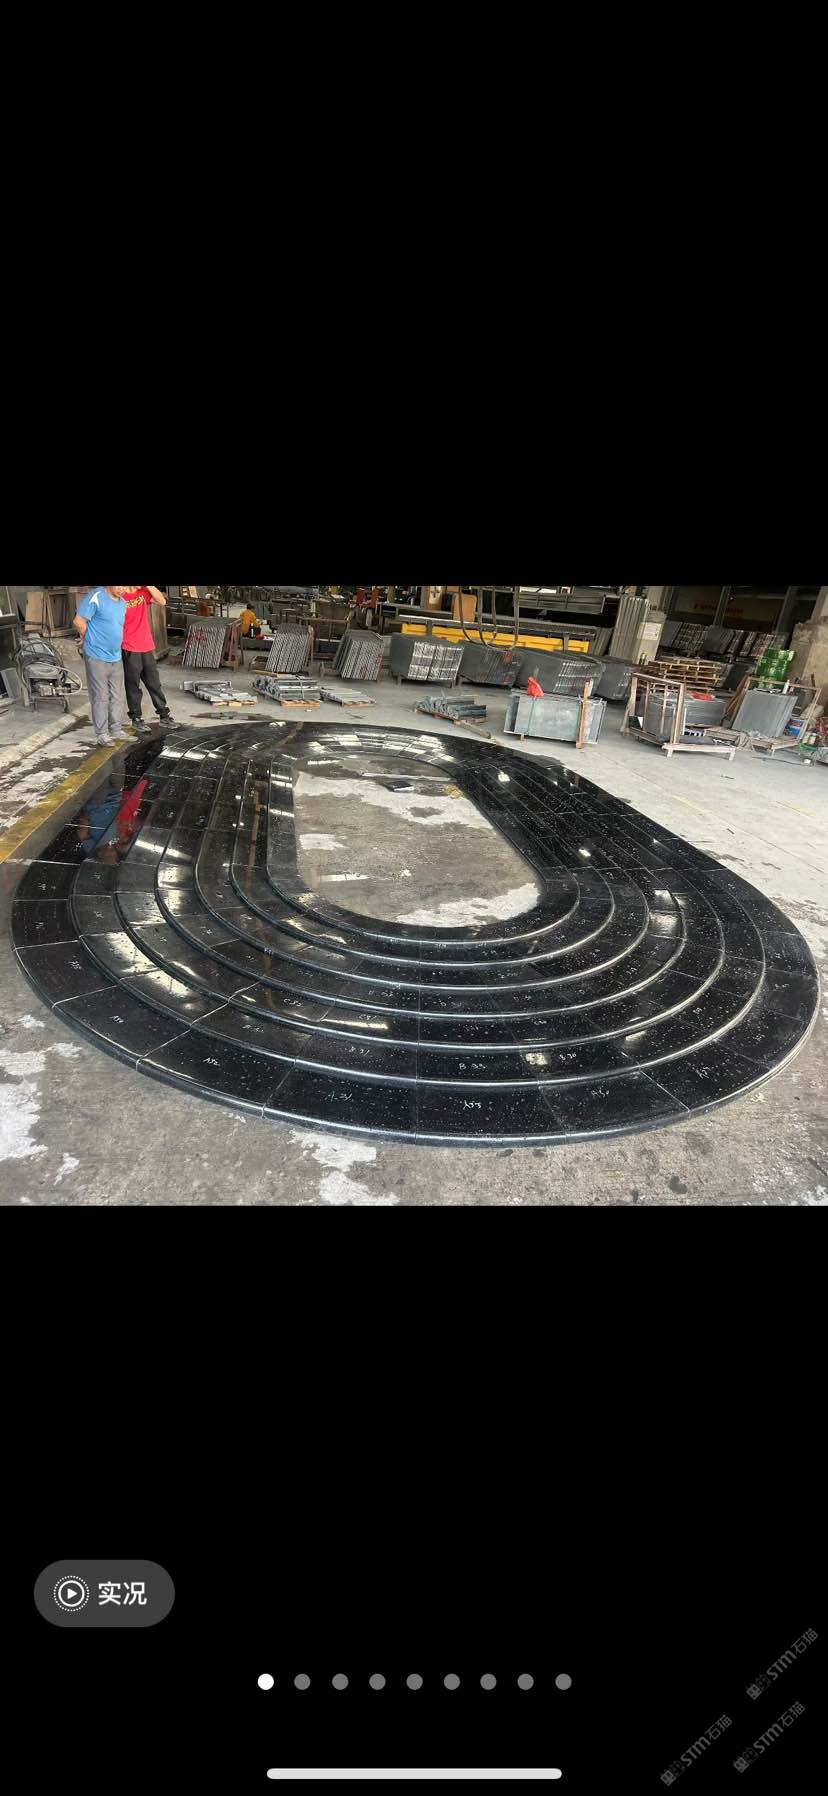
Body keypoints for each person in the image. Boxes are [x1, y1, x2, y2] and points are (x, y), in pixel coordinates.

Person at [73, 586, 130, 747]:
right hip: (96, 655)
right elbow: (78, 621)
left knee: (118, 695)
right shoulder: (97, 596)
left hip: (116, 655)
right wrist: (88, 637)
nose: (123, 589)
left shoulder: (122, 603)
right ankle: (102, 734)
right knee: (100, 696)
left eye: (126, 587)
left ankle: (116, 729)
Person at [120, 586, 180, 732]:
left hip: (146, 645)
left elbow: (162, 601)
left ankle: (164, 716)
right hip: (128, 645)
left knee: (154, 683)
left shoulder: (143, 593)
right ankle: (136, 718)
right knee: (133, 685)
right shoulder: (119, 595)